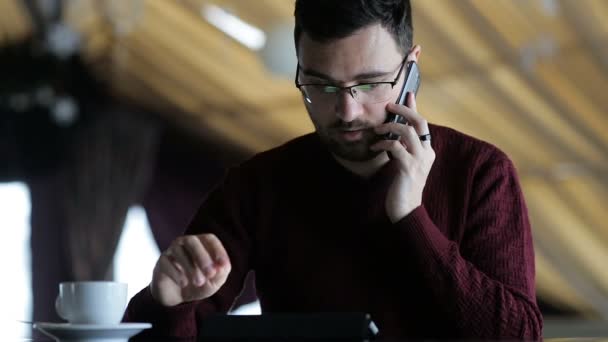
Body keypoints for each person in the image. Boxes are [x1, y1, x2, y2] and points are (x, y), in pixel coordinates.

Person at [123, 0, 543, 340]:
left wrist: (412, 218)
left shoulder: (481, 174)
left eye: (370, 83)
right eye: (321, 86)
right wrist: (170, 304)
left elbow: (519, 336)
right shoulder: (258, 186)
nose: (346, 110)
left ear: (412, 67)